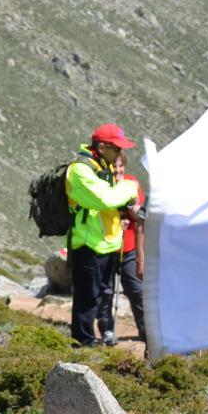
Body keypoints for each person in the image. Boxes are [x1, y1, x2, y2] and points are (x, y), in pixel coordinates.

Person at [66, 123, 141, 348]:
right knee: (87, 299)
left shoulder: (102, 165)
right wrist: (130, 186)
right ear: (102, 146)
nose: (120, 153)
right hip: (88, 245)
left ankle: (90, 343)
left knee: (99, 298)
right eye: (116, 148)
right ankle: (82, 345)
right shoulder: (80, 169)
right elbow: (104, 199)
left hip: (106, 244)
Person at [109, 151, 147, 346]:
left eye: (120, 165)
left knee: (135, 289)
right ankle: (107, 331)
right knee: (106, 291)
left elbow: (140, 214)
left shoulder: (132, 182)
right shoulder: (104, 184)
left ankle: (145, 329)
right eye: (114, 166)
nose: (117, 170)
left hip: (129, 244)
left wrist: (128, 210)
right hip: (107, 246)